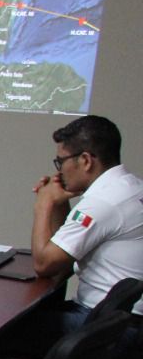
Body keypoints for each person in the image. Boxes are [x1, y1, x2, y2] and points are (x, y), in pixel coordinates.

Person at [28, 114, 143, 337]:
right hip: (123, 321)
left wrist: (44, 204)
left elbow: (44, 264)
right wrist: (59, 204)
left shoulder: (102, 203)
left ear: (85, 160)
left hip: (107, 327)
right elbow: (64, 252)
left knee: (2, 330)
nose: (59, 171)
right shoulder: (130, 187)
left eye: (61, 162)